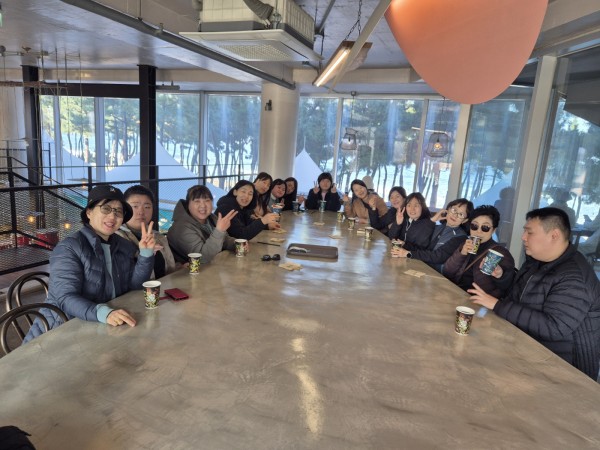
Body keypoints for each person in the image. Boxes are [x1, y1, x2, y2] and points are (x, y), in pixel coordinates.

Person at [468, 207, 600, 379]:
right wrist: (501, 276)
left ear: (554, 235)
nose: (523, 237)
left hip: (561, 369)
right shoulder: (536, 260)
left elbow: (553, 328)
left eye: (529, 232)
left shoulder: (574, 277)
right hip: (525, 347)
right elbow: (519, 293)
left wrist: (497, 305)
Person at [24, 185, 155, 342]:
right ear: (89, 212)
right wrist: (104, 313)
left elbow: (135, 286)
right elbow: (65, 297)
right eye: (106, 208)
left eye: (118, 211)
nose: (112, 216)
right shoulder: (69, 247)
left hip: (101, 329)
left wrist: (145, 254)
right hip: (58, 332)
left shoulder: (122, 245)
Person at [444, 205, 515, 297]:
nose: (478, 231)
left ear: (493, 230)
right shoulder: (465, 244)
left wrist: (500, 275)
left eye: (485, 227)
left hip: (479, 300)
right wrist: (462, 253)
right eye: (474, 226)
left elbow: (507, 286)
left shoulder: (500, 252)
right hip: (455, 292)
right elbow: (447, 271)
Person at [392, 198, 473, 273]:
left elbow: (437, 256)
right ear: (448, 209)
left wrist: (408, 253)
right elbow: (423, 248)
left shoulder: (461, 237)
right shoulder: (437, 227)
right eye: (454, 210)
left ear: (465, 220)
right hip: (420, 266)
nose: (455, 215)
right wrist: (405, 245)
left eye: (461, 214)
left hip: (435, 274)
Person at [116, 185, 178, 279]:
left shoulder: (159, 237)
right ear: (124, 209)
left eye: (147, 207)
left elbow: (169, 270)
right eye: (135, 206)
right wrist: (145, 254)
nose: (141, 212)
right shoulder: (117, 238)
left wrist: (179, 268)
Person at [167, 185, 237, 264]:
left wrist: (236, 244)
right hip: (188, 270)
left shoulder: (211, 218)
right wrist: (219, 231)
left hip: (213, 266)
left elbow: (224, 240)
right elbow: (202, 258)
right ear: (188, 204)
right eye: (197, 201)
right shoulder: (181, 228)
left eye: (207, 200)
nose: (203, 205)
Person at [215, 180, 280, 240]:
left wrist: (267, 225)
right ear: (235, 192)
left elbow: (249, 223)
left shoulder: (244, 208)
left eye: (250, 194)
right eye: (243, 191)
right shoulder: (226, 209)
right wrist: (263, 221)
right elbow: (241, 235)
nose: (246, 196)